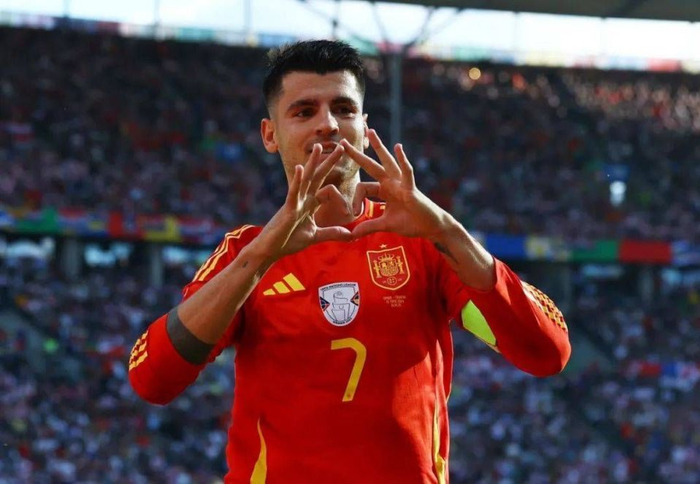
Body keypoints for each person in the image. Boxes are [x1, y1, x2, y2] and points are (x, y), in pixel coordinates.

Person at [128, 40, 571, 483]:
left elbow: (546, 354)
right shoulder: (245, 252)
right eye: (304, 111)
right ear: (270, 135)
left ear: (363, 124)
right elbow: (152, 379)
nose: (327, 124)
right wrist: (260, 257)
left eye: (343, 109)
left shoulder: (423, 241)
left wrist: (448, 232)